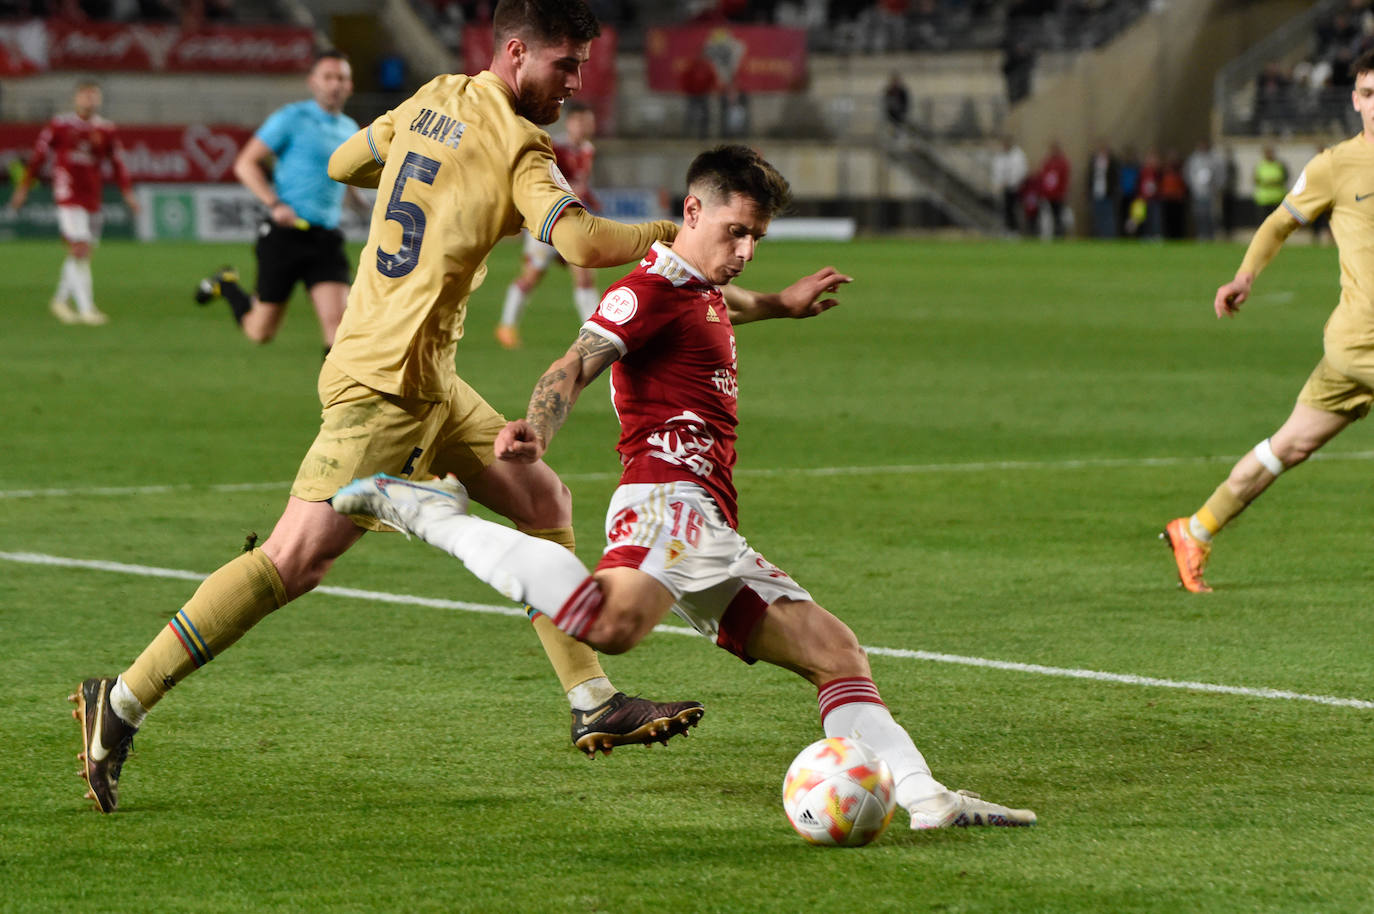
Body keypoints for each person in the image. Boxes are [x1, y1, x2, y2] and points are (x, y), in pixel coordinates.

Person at [69, 0, 703, 815]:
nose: (576, 83)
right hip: (385, 386)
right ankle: (118, 704)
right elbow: (578, 242)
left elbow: (341, 164)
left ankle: (592, 699)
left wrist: (420, 174)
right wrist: (676, 239)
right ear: (515, 53)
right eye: (565, 65)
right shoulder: (520, 144)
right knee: (293, 562)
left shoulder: (433, 97)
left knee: (542, 496)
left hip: (421, 372)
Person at [333, 145, 1038, 831]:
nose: (746, 250)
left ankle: (926, 798)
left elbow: (722, 302)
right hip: (667, 501)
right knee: (611, 626)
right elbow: (575, 364)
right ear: (691, 212)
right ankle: (431, 512)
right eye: (736, 232)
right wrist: (540, 429)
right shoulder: (645, 291)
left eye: (758, 237)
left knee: (836, 653)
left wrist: (781, 305)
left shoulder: (697, 289)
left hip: (710, 524)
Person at [1162, 49, 1374, 594]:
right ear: (1354, 100)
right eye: (1368, 96)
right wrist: (1245, 276)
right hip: (1360, 343)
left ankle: (1196, 528)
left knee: (1290, 446)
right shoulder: (1334, 165)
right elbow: (1279, 223)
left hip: (1348, 358)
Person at [193, 50, 369, 357]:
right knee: (260, 332)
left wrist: (362, 204)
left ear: (350, 85)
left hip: (325, 238)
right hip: (284, 235)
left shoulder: (350, 128)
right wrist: (275, 204)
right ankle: (228, 284)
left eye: (341, 78)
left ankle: (338, 404)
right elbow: (245, 164)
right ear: (313, 82)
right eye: (328, 77)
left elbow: (346, 177)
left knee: (339, 325)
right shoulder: (292, 118)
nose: (334, 84)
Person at [7, 80, 139, 326]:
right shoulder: (61, 125)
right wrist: (23, 187)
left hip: (92, 196)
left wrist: (128, 193)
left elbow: (118, 164)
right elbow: (38, 157)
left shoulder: (106, 129)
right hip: (67, 193)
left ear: (99, 100)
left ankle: (60, 300)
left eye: (93, 96)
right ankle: (87, 309)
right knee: (79, 247)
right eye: (85, 96)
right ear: (76, 99)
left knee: (82, 253)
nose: (89, 100)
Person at [494, 100, 601, 350]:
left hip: (573, 224)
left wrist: (592, 200)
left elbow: (582, 184)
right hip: (549, 224)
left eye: (588, 121)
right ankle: (506, 326)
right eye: (580, 121)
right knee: (531, 277)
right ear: (571, 122)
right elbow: (542, 181)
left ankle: (596, 334)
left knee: (585, 276)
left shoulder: (587, 150)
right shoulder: (553, 148)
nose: (585, 126)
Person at [991, 136, 1028, 235]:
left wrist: (1011, 182)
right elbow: (997, 171)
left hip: (1016, 189)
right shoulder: (1000, 156)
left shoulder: (1018, 156)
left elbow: (1020, 172)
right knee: (1005, 210)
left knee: (1013, 209)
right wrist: (998, 183)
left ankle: (1015, 230)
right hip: (1004, 188)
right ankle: (1007, 229)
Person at [1251, 145, 1288, 225]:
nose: (1269, 154)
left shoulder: (1279, 165)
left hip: (1277, 198)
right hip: (1263, 199)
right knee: (1263, 223)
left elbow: (1286, 178)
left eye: (1270, 152)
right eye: (1267, 152)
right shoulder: (1260, 166)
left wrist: (1274, 182)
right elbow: (1254, 179)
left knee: (1277, 223)